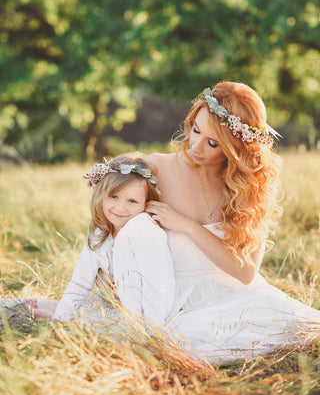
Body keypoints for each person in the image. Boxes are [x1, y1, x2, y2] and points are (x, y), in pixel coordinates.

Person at [145, 81, 320, 363]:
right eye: (195, 130)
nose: (196, 146)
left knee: (296, 332)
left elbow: (246, 272)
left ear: (236, 147)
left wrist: (188, 226)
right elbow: (112, 220)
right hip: (172, 297)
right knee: (171, 340)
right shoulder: (157, 167)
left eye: (213, 143)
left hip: (239, 297)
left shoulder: (252, 187)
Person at [0, 155, 175, 333]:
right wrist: (60, 320)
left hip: (138, 315)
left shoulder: (145, 235)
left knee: (87, 327)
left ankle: (46, 316)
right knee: (68, 315)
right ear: (101, 195)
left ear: (146, 204)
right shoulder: (100, 232)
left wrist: (150, 332)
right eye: (114, 196)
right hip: (108, 303)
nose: (120, 208)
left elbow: (157, 288)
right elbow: (81, 281)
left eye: (132, 201)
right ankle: (46, 316)